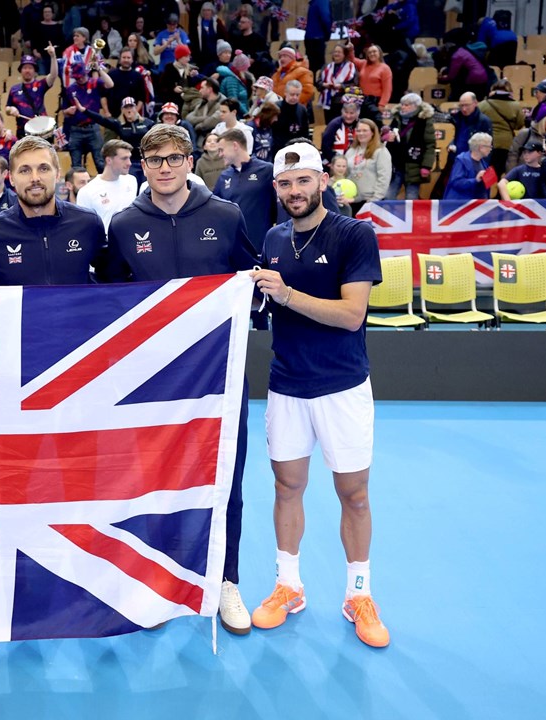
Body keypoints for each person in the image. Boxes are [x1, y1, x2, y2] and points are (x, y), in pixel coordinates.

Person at [107, 123, 257, 636]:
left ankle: (226, 581)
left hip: (216, 378)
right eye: (155, 160)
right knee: (148, 480)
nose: (165, 167)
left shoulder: (226, 215)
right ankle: (154, 581)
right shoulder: (124, 225)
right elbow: (110, 301)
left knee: (225, 477)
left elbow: (249, 284)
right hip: (148, 385)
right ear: (142, 167)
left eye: (174, 158)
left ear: (191, 161)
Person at [249, 141, 388, 649]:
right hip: (286, 384)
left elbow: (353, 314)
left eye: (303, 180)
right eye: (284, 184)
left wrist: (286, 294)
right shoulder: (272, 237)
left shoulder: (355, 234)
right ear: (276, 189)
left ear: (322, 181)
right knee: (287, 488)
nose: (294, 191)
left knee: (353, 493)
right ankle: (289, 585)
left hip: (343, 385)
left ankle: (359, 594)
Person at [0, 135, 107, 286]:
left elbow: (113, 283)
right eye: (25, 170)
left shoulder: (87, 223)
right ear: (11, 178)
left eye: (43, 168)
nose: (35, 178)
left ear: (57, 174)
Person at [214, 127, 275, 257]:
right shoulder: (224, 176)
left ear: (235, 145)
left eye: (221, 150)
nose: (219, 154)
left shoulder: (267, 171)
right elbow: (216, 211)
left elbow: (278, 208)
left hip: (262, 247)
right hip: (233, 249)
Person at [80, 96, 155, 185]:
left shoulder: (148, 123)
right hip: (129, 161)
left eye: (131, 107)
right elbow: (102, 120)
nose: (129, 110)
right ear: (122, 110)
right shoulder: (119, 124)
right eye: (126, 107)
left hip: (145, 160)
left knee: (147, 186)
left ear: (136, 108)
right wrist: (85, 111)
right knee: (131, 185)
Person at [61, 61, 114, 174]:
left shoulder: (94, 83)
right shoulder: (70, 89)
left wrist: (99, 69)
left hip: (92, 127)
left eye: (81, 76)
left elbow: (110, 84)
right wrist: (68, 111)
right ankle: (77, 190)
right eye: (77, 77)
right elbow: (64, 111)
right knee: (75, 164)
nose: (79, 79)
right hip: (76, 129)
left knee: (100, 161)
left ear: (86, 73)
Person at [76, 139, 137, 231]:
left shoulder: (131, 181)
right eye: (124, 158)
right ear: (109, 160)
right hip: (105, 243)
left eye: (129, 158)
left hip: (131, 239)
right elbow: (83, 225)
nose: (129, 163)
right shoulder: (87, 191)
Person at [384, 93, 435, 200]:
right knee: (388, 196)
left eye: (407, 105)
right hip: (396, 165)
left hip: (414, 166)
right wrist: (387, 138)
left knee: (411, 198)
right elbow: (387, 138)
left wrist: (426, 166)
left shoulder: (424, 120)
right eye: (402, 104)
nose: (403, 107)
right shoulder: (397, 118)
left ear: (416, 106)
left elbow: (430, 145)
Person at [342, 119, 391, 215]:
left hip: (371, 202)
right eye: (359, 131)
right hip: (352, 201)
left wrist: (374, 200)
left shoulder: (381, 151)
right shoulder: (351, 151)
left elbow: (384, 178)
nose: (361, 133)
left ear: (372, 132)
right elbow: (345, 174)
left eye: (365, 130)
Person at [478, 81, 525, 177]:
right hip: (506, 144)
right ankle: (501, 191)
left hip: (487, 142)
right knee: (503, 173)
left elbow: (477, 122)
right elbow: (519, 125)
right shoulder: (515, 105)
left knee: (488, 173)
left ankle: (489, 191)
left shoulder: (483, 104)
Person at [344, 42, 392, 115]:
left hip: (375, 101)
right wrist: (351, 49)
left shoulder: (385, 68)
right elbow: (352, 59)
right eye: (369, 52)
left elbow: (387, 89)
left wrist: (382, 104)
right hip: (361, 99)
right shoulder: (363, 63)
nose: (372, 54)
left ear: (380, 53)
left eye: (374, 51)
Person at [444, 132, 494, 200]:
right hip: (460, 205)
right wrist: (475, 180)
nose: (491, 149)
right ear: (481, 148)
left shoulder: (484, 163)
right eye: (489, 146)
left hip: (476, 204)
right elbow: (456, 182)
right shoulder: (462, 160)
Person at [317, 45, 357, 124]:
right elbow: (318, 83)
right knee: (330, 125)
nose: (336, 54)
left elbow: (355, 84)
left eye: (339, 52)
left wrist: (342, 86)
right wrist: (324, 85)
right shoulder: (326, 67)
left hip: (344, 102)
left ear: (344, 54)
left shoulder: (350, 66)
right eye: (335, 52)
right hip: (328, 102)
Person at [188, 2, 228, 69]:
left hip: (215, 56)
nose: (206, 12)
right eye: (204, 10)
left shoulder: (217, 22)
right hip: (202, 57)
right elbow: (193, 39)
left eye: (208, 10)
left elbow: (225, 36)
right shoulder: (197, 24)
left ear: (212, 11)